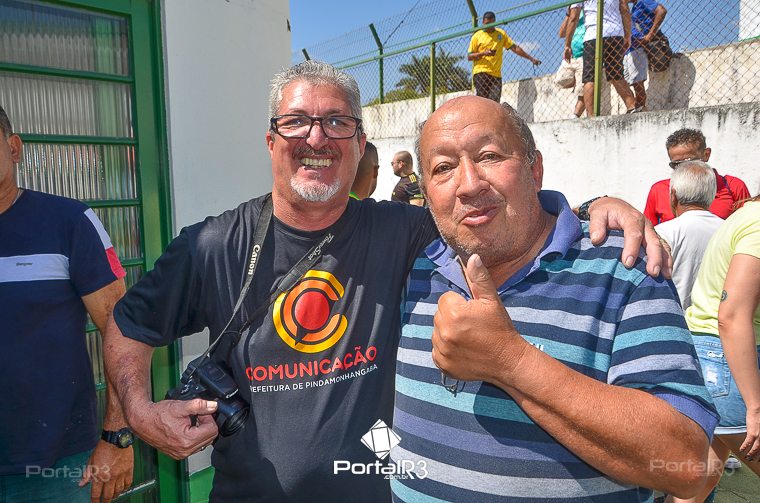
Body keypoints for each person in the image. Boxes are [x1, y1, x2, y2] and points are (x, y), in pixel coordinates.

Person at [103, 61, 668, 502]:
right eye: (296, 122)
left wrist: (593, 208)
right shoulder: (210, 245)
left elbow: (492, 211)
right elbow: (127, 326)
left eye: (337, 122)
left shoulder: (406, 231)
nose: (317, 138)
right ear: (271, 140)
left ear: (358, 144)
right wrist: (139, 412)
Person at [390, 96, 717, 502]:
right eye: (443, 168)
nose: (469, 184)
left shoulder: (625, 266)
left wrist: (510, 360)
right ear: (425, 193)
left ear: (535, 170)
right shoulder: (416, 266)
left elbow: (687, 464)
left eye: (490, 156)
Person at [0, 105, 133, 502]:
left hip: (56, 465)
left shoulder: (69, 221)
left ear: (14, 148)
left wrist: (118, 434)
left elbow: (122, 330)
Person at [675, 196, 760, 503]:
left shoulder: (748, 215)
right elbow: (731, 315)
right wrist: (755, 407)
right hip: (725, 361)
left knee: (697, 484)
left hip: (713, 356)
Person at [644, 128, 751, 226]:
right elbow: (648, 232)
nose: (685, 169)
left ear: (706, 154)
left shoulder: (733, 187)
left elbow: (749, 227)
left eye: (690, 162)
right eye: (677, 165)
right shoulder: (659, 190)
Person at [655, 161, 723, 309]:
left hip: (675, 317)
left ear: (673, 195)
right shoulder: (728, 229)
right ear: (712, 195)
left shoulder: (661, 233)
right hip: (715, 319)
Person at [564, 0, 639, 115]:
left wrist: (567, 45)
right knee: (616, 74)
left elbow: (573, 17)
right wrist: (627, 35)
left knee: (590, 78)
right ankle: (631, 106)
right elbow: (624, 9)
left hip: (593, 35)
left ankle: (592, 116)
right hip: (615, 33)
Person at [468, 11, 542, 103]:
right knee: (483, 103)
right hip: (481, 72)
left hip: (496, 75)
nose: (489, 26)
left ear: (494, 22)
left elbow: (515, 48)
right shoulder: (477, 36)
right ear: (483, 22)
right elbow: (469, 56)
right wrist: (483, 53)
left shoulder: (501, 34)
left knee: (495, 103)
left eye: (491, 23)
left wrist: (531, 58)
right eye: (487, 24)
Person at [624, 0, 668, 110]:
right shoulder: (634, 8)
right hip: (630, 49)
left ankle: (641, 108)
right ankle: (636, 108)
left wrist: (650, 35)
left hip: (638, 49)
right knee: (629, 83)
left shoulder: (643, 1)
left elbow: (661, 11)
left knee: (637, 83)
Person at [558, 3, 587, 118]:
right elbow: (561, 33)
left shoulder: (590, 12)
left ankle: (576, 115)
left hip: (585, 54)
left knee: (583, 90)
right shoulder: (572, 15)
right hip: (572, 55)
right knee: (560, 80)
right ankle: (578, 81)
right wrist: (568, 14)